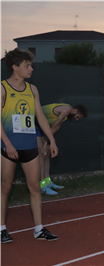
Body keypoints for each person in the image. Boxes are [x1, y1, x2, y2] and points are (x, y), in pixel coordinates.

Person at [0, 48, 59, 243]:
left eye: (31, 65)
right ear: (15, 67)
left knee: (35, 187)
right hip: (8, 147)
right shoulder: (2, 89)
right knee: (6, 187)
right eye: (27, 66)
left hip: (29, 147)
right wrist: (8, 144)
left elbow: (40, 117)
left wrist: (51, 139)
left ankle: (39, 229)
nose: (31, 69)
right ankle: (1, 229)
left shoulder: (32, 89)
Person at [37, 103, 87, 195]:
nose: (76, 120)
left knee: (47, 152)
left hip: (41, 126)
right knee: (42, 153)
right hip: (33, 122)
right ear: (75, 111)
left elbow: (57, 128)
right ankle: (41, 186)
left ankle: (48, 182)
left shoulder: (66, 114)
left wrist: (49, 142)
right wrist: (48, 142)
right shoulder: (66, 110)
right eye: (77, 117)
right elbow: (54, 125)